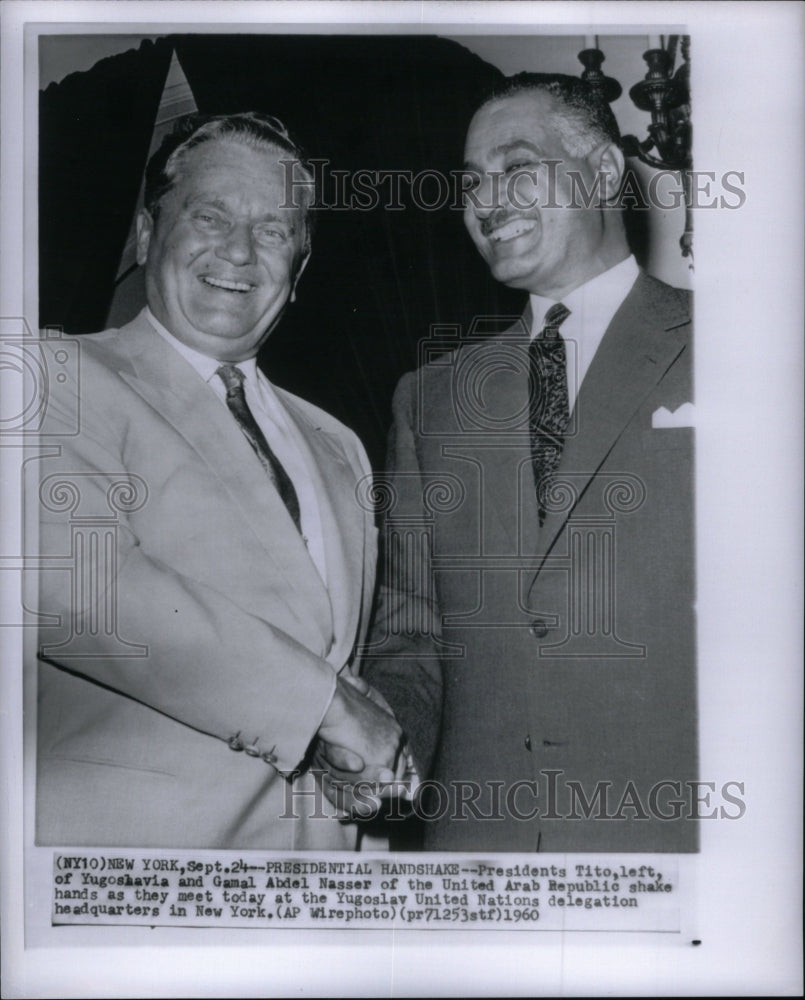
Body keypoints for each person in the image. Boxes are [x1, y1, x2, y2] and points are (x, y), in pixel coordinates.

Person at [34, 111, 405, 850]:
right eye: (210, 215)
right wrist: (326, 706)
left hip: (315, 893)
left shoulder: (339, 445)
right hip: (130, 878)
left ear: (297, 271)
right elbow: (70, 585)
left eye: (273, 230)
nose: (238, 250)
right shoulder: (53, 374)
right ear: (147, 236)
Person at [363, 74, 697, 852]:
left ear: (606, 172)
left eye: (516, 168)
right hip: (483, 856)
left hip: (681, 851)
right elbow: (412, 635)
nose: (487, 201)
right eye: (471, 183)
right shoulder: (429, 400)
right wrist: (375, 738)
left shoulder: (748, 344)